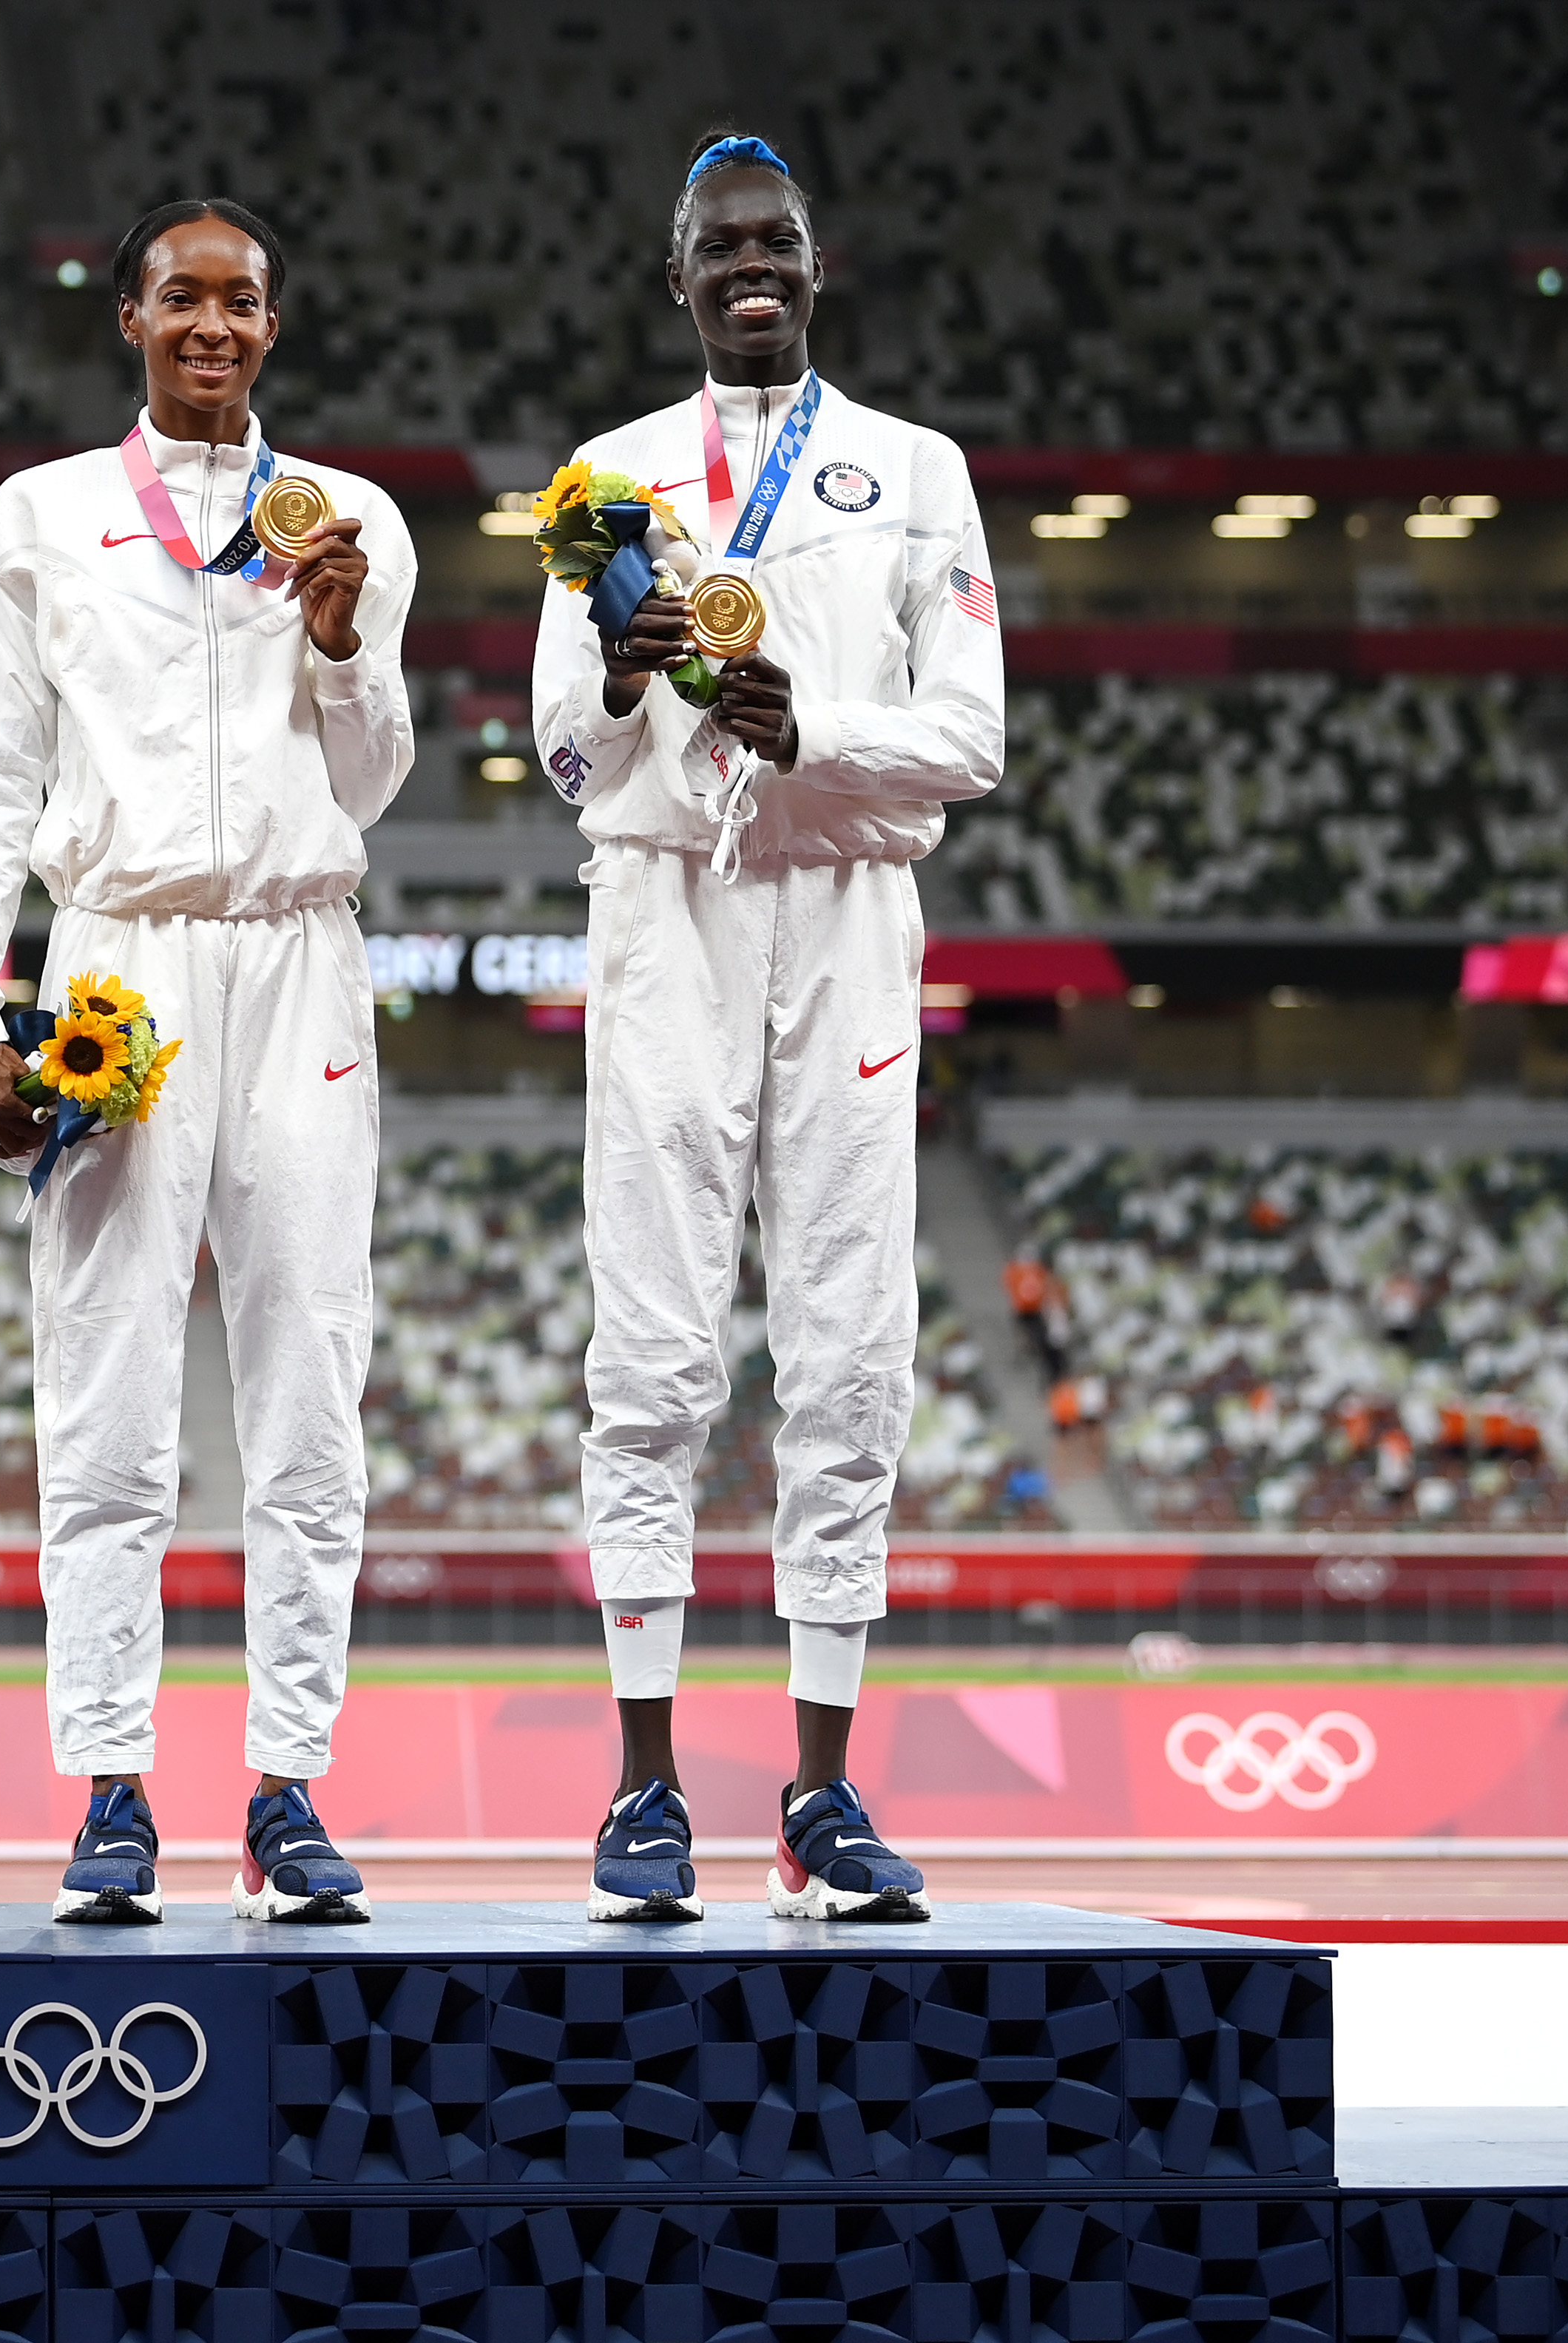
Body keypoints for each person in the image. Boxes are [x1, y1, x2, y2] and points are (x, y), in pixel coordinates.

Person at [534, 132, 1000, 1924]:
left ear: (818, 268)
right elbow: (566, 759)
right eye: (720, 245)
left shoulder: (913, 471)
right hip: (664, 911)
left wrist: (822, 731)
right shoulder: (610, 478)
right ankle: (645, 1790)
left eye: (779, 243)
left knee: (849, 1348)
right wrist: (629, 668)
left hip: (848, 917)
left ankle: (820, 1790)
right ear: (677, 278)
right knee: (652, 1350)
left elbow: (971, 740)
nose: (752, 266)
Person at [0, 197, 416, 1924]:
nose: (214, 326)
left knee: (309, 1389)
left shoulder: (350, 521)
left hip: (300, 956)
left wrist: (346, 644)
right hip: (118, 966)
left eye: (244, 303)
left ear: (272, 328)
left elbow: (369, 783)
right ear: (129, 316)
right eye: (183, 298)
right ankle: (114, 1794)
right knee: (109, 1391)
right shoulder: (49, 522)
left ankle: (289, 1788)